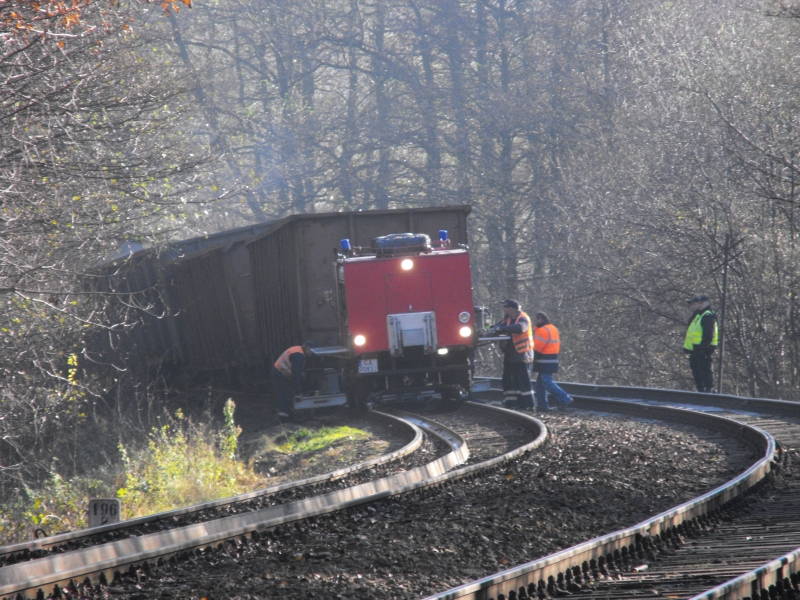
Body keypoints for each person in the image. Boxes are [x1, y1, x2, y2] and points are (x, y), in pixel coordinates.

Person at [488, 299, 535, 410]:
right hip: (511, 355)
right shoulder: (509, 319)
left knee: (523, 381)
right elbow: (498, 327)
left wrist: (500, 329)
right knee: (508, 379)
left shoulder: (523, 318)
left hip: (522, 355)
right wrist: (489, 329)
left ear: (511, 309)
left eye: (505, 307)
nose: (503, 309)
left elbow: (520, 328)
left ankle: (528, 404)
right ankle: (511, 403)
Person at [532, 312, 573, 411]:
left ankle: (565, 398)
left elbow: (537, 348)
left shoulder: (542, 330)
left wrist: (531, 358)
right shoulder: (553, 328)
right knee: (540, 384)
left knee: (546, 382)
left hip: (544, 359)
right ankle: (542, 405)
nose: (536, 322)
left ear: (541, 319)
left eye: (537, 319)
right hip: (552, 358)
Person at [272, 342, 315, 421]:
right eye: (312, 351)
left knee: (286, 395)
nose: (312, 354)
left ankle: (288, 415)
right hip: (280, 374)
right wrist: (298, 393)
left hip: (281, 373)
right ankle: (284, 418)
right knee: (284, 395)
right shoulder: (298, 356)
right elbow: (296, 377)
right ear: (308, 349)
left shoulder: (298, 351)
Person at [684, 295, 719, 392]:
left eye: (700, 303)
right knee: (698, 371)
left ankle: (708, 390)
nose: (697, 305)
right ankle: (702, 391)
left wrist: (702, 348)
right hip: (697, 348)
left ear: (706, 303)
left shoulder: (707, 316)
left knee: (705, 370)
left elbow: (709, 335)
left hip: (704, 349)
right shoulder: (699, 315)